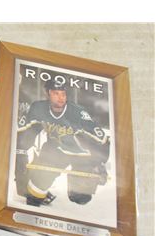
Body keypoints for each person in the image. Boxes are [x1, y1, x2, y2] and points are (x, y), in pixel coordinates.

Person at [15, 79, 110, 207]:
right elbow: (28, 130)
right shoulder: (38, 108)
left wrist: (100, 162)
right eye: (56, 93)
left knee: (80, 197)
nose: (61, 98)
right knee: (34, 195)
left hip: (82, 155)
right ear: (47, 93)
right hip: (56, 149)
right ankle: (36, 188)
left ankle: (78, 188)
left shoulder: (78, 113)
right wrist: (21, 152)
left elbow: (102, 139)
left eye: (63, 94)